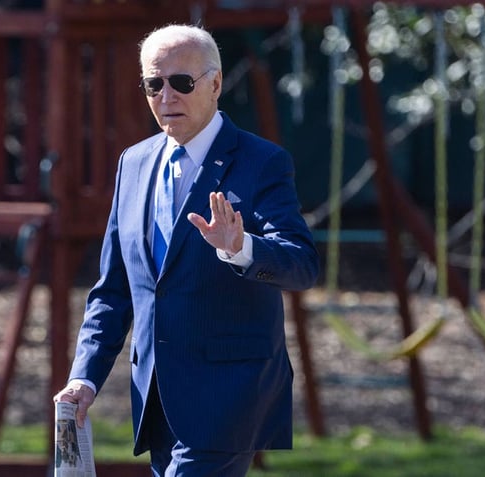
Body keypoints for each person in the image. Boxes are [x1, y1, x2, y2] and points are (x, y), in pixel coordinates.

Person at [52, 23, 320, 477]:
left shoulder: (262, 162)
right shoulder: (134, 163)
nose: (166, 96)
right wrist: (85, 376)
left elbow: (302, 265)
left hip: (229, 397)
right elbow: (113, 290)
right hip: (156, 398)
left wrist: (241, 248)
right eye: (154, 84)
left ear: (215, 84)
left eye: (182, 82)